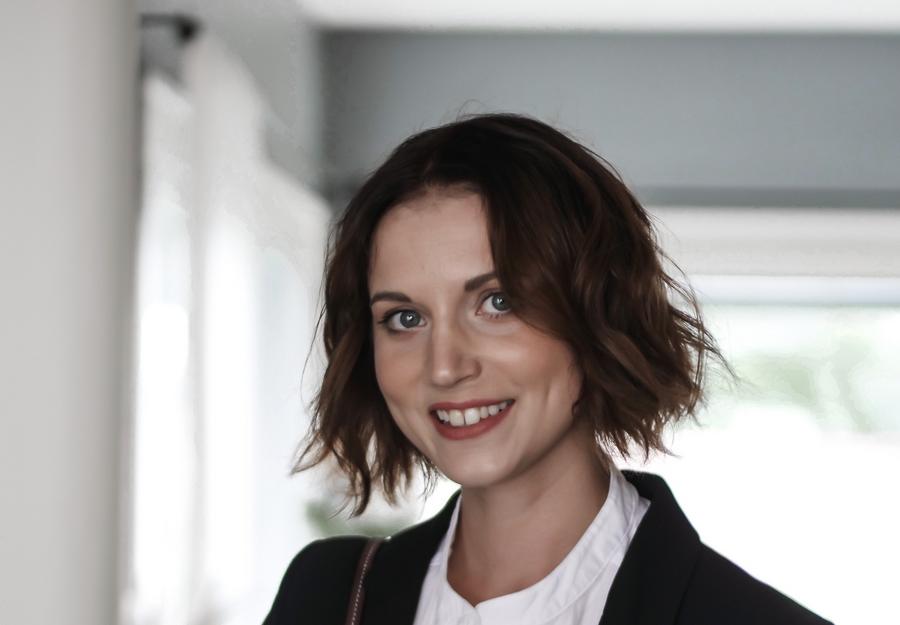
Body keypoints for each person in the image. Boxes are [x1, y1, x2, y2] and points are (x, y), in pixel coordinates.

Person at [262, 113, 832, 625]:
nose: (445, 367)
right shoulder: (326, 598)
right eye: (405, 318)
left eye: (498, 303)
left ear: (598, 313)